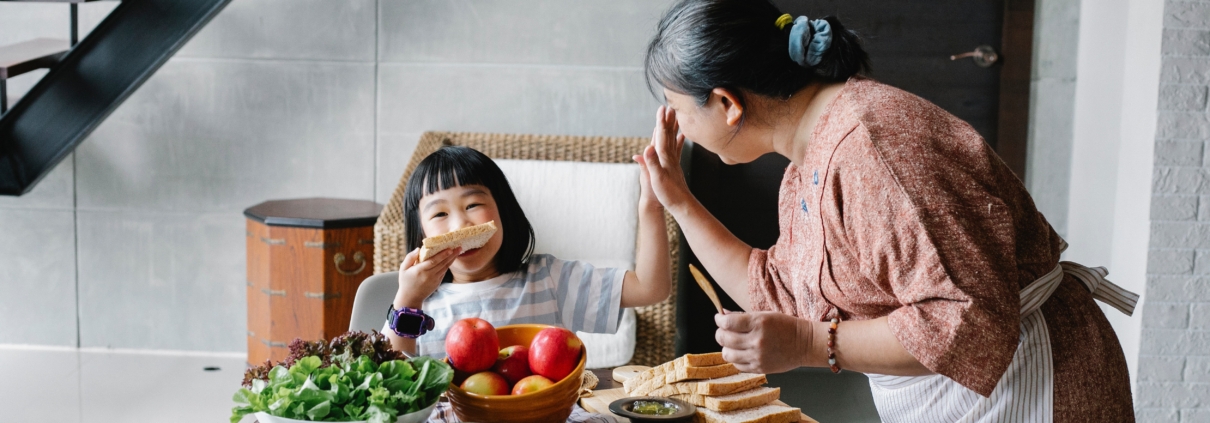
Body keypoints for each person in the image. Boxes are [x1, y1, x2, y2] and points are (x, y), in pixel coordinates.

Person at [633, 0, 1139, 421]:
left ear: (727, 104)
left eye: (677, 108)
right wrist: (676, 198)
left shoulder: (872, 149)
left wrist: (811, 344)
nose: (676, 124)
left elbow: (968, 322)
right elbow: (778, 292)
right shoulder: (808, 160)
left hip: (1033, 386)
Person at [383, 145, 671, 360]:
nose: (460, 224)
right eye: (440, 214)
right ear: (421, 235)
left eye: (472, 205)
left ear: (503, 213)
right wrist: (409, 298)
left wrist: (652, 206)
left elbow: (650, 288)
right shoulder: (417, 308)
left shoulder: (551, 280)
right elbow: (393, 383)